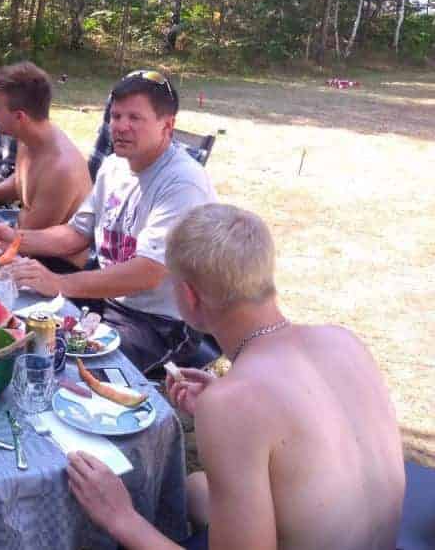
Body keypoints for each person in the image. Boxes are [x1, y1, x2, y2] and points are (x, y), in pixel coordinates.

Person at [67, 203, 405, 550]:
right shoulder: (344, 340)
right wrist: (231, 407)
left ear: (189, 296)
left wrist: (122, 518)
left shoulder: (233, 404)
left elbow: (249, 410)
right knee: (197, 487)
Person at [0, 70, 217, 371]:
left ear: (167, 126)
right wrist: (15, 238)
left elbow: (148, 273)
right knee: (22, 325)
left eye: (134, 118)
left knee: (68, 368)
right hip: (108, 299)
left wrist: (58, 284)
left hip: (161, 322)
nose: (120, 126)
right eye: (116, 116)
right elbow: (76, 234)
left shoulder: (183, 184)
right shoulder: (114, 166)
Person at [0, 62, 91, 229]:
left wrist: (24, 214)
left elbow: (26, 236)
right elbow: (23, 180)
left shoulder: (61, 169)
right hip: (25, 237)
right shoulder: (27, 138)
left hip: (43, 251)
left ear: (19, 117)